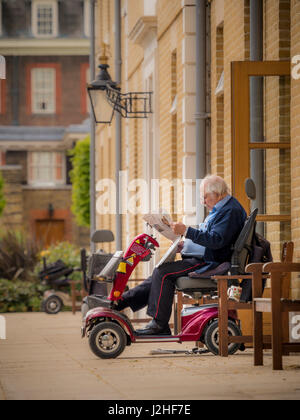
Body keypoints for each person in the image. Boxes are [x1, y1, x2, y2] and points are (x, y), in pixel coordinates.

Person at [116, 174, 247, 335]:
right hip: (207, 257)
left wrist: (186, 231)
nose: (203, 201)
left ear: (218, 194)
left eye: (205, 197)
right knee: (159, 273)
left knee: (163, 273)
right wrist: (185, 245)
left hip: (211, 262)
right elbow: (211, 237)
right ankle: (121, 302)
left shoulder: (229, 211)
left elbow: (216, 240)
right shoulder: (222, 209)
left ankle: (159, 325)